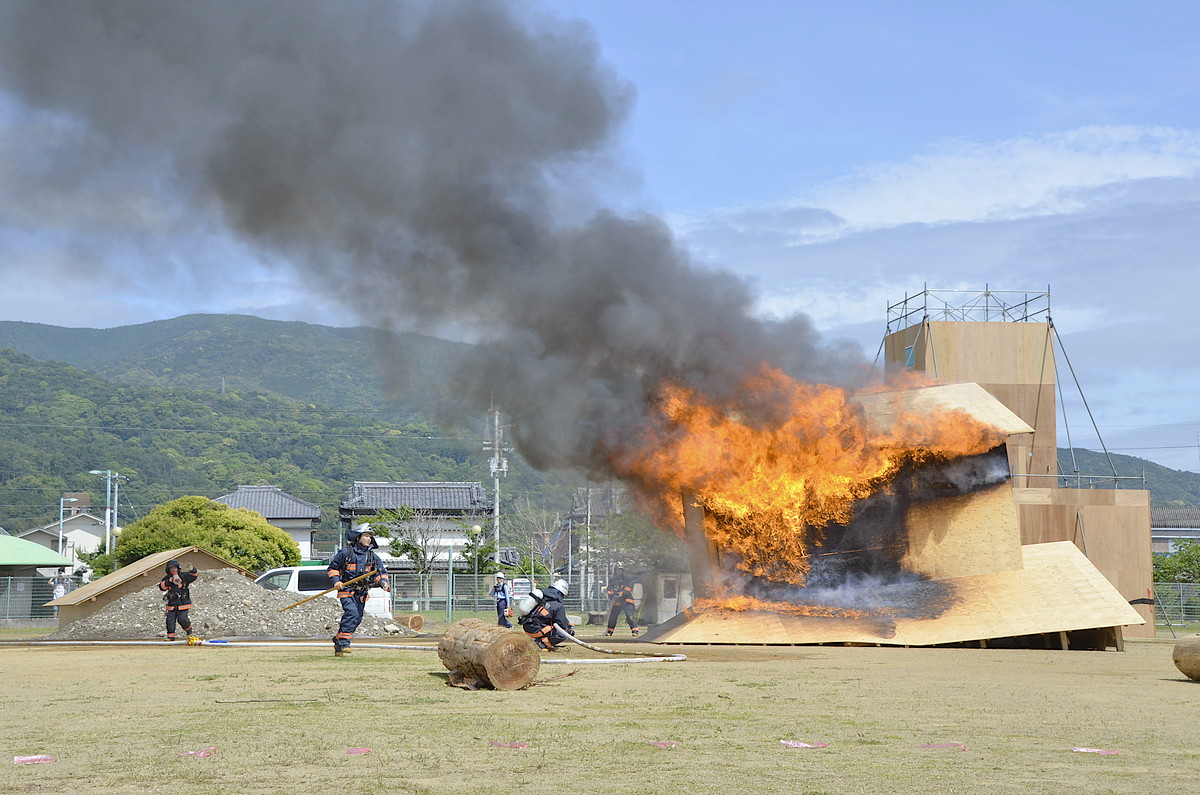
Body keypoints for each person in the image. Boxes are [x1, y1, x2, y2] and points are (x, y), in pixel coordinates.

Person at [326, 526, 390, 657]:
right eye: (366, 535)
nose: (369, 538)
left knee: (357, 619)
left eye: (370, 536)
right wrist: (336, 581)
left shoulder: (372, 557)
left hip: (361, 593)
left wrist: (382, 582)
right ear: (358, 537)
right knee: (352, 613)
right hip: (347, 590)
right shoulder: (345, 553)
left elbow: (380, 572)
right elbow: (333, 569)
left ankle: (338, 640)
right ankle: (344, 642)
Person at [518, 578, 574, 650]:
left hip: (527, 628)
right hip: (536, 631)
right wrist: (568, 628)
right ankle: (540, 644)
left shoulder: (542, 597)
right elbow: (561, 623)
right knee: (564, 632)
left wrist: (567, 622)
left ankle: (539, 641)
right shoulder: (558, 605)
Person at [158, 559, 199, 641]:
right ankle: (171, 637)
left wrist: (192, 569)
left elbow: (194, 575)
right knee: (170, 621)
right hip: (172, 604)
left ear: (178, 568)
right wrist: (169, 581)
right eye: (171, 569)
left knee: (182, 619)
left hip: (183, 603)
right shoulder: (167, 578)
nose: (173, 570)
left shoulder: (184, 576)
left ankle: (189, 632)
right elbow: (162, 587)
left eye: (175, 568)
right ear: (168, 570)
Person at [604, 565, 639, 636]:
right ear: (615, 570)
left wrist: (622, 593)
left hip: (627, 601)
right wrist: (612, 596)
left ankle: (635, 631)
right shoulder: (612, 580)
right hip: (617, 602)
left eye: (620, 570)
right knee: (613, 617)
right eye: (617, 569)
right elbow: (609, 590)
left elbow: (629, 588)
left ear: (623, 570)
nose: (619, 571)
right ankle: (609, 631)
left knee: (630, 616)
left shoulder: (627, 578)